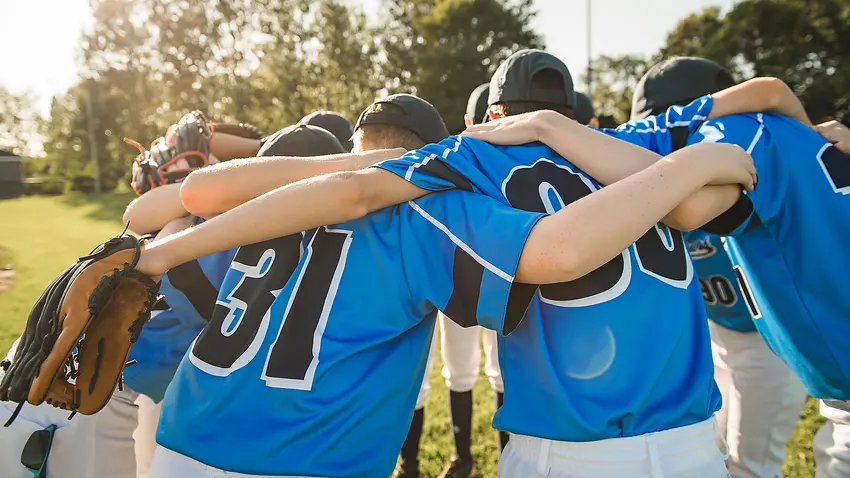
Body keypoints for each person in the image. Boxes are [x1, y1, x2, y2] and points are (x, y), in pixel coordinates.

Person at [133, 78, 761, 478]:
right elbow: (700, 200)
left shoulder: (284, 198)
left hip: (183, 443)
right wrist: (699, 158)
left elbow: (152, 208)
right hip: (316, 458)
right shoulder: (434, 208)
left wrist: (166, 247)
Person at [628, 57, 807, 478]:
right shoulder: (657, 178)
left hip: (773, 344)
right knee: (710, 458)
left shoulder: (753, 157)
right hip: (715, 336)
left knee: (750, 466)